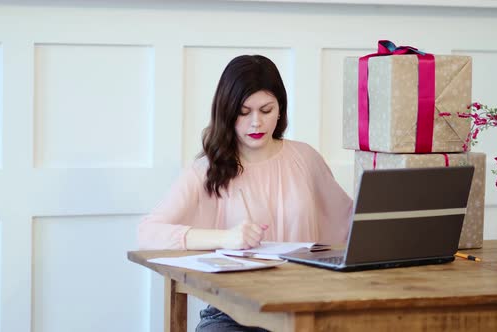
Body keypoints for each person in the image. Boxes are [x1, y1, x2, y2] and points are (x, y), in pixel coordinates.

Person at [137, 54, 353, 332]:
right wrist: (227, 238)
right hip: (233, 315)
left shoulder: (305, 158)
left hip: (305, 305)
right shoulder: (207, 170)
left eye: (266, 110)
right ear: (227, 111)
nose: (256, 123)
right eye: (243, 111)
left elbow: (351, 223)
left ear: (280, 108)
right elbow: (148, 233)